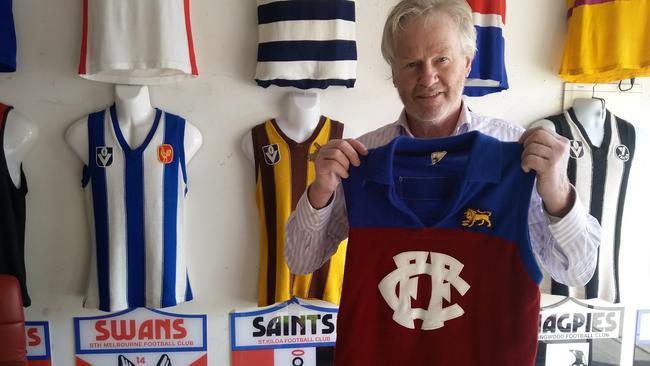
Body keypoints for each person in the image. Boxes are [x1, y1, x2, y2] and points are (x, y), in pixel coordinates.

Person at [285, 0, 600, 297]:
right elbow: (299, 261)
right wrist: (320, 192)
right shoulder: (362, 158)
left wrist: (559, 195)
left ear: (467, 63)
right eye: (411, 64)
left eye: (442, 59)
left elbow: (577, 273)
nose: (427, 77)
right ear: (393, 74)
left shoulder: (516, 153)